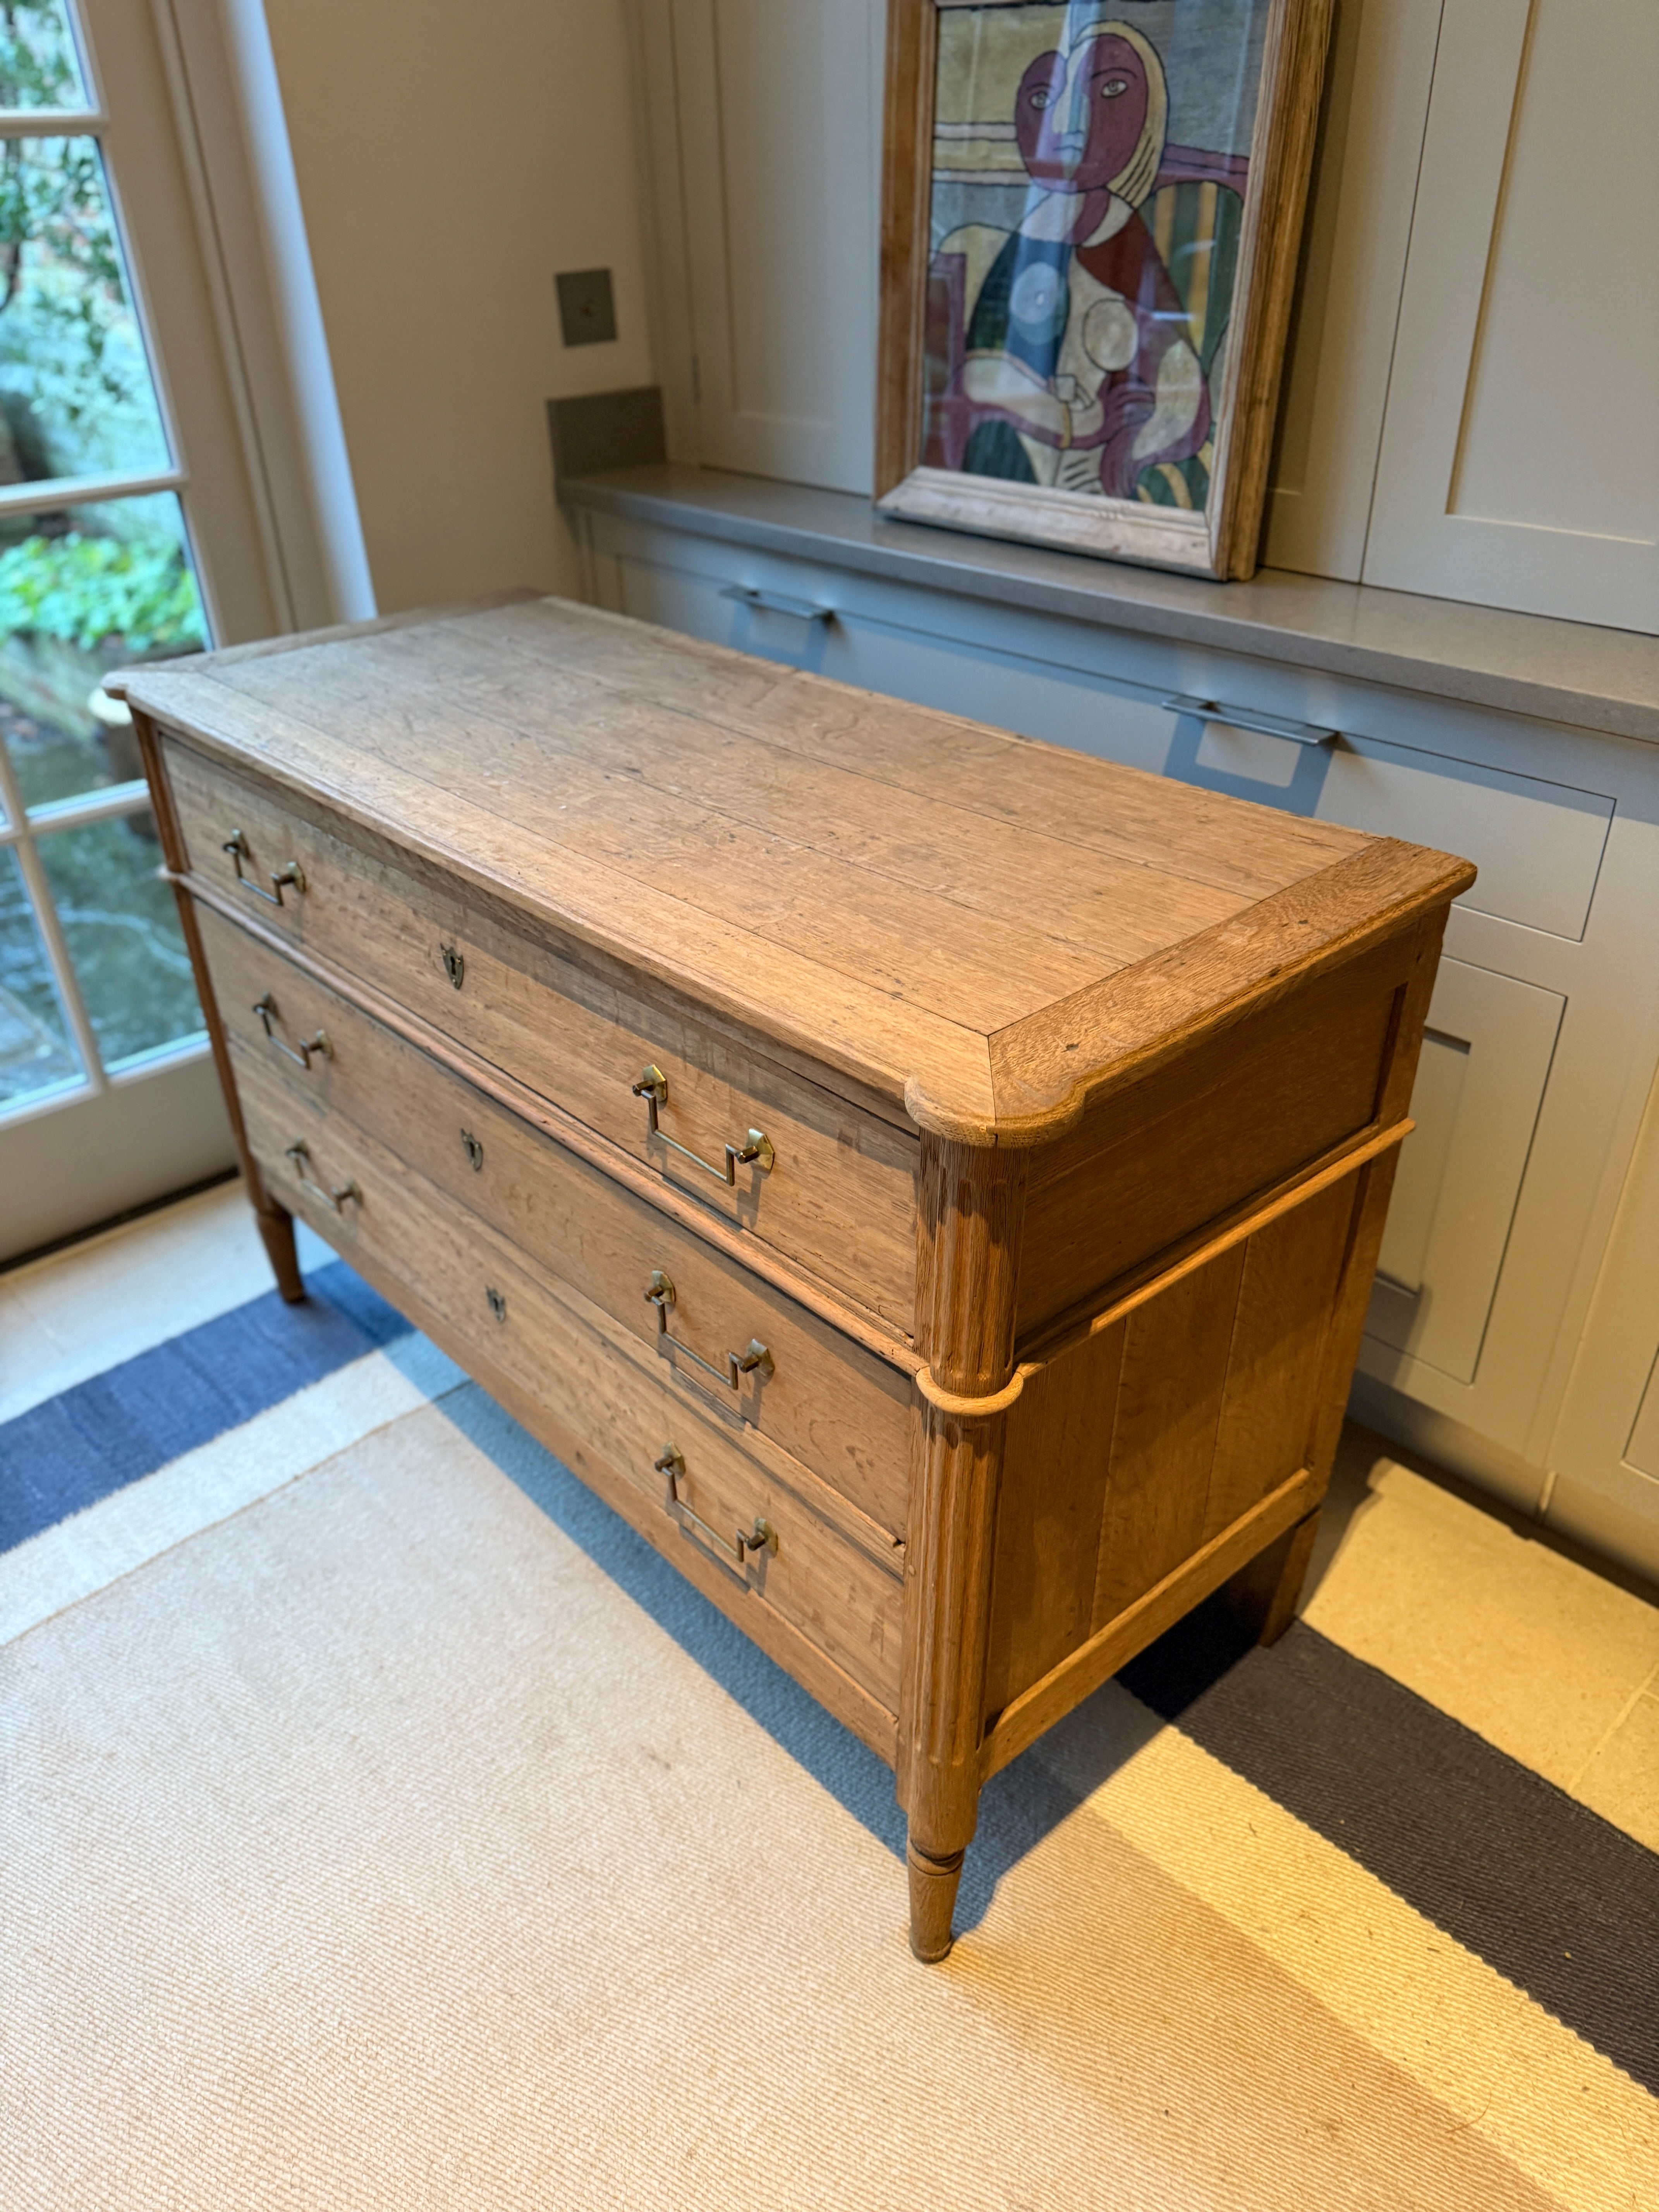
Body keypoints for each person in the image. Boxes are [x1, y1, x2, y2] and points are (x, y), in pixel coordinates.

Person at [929, 15, 1210, 502]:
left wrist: (1123, 442)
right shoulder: (986, 246)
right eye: (1043, 99)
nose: (1066, 124)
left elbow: (1179, 395)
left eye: (1110, 91)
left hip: (1085, 488)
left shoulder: (1126, 243)